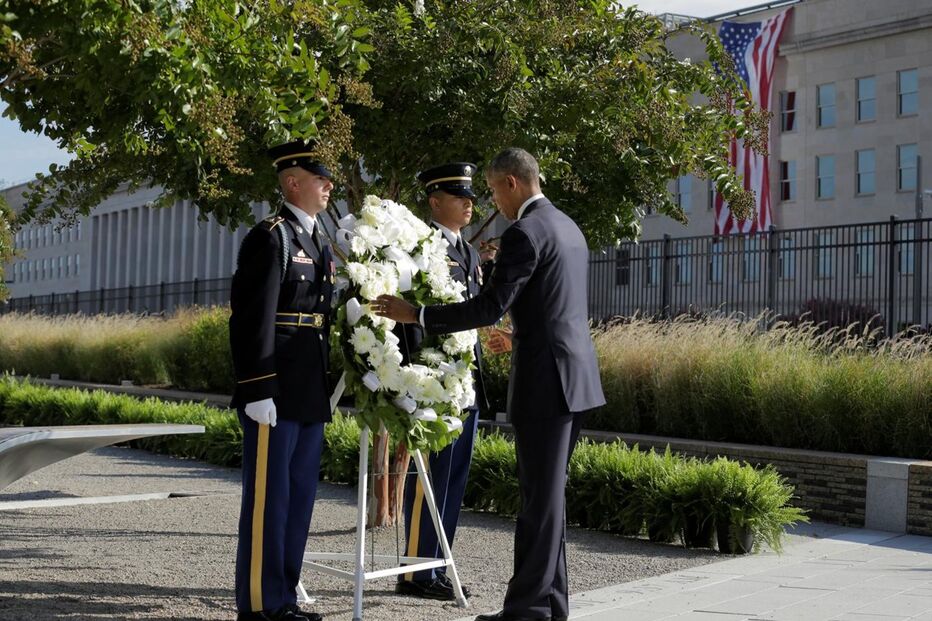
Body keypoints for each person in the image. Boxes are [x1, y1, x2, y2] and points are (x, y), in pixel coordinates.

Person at [374, 147, 605, 621]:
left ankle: (523, 612)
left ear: (513, 184)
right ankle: (551, 607)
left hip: (546, 383)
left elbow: (487, 307)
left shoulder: (524, 232)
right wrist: (518, 334)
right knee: (550, 501)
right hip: (576, 379)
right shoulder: (568, 226)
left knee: (538, 504)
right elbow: (553, 306)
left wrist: (414, 313)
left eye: (495, 191)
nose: (491, 203)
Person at [229, 140, 336, 621]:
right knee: (269, 502)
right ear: (293, 182)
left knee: (298, 500)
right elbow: (252, 319)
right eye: (320, 178)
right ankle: (260, 603)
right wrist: (256, 388)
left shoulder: (319, 239)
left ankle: (285, 597)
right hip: (275, 390)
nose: (328, 185)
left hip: (309, 390)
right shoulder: (271, 237)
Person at [395, 162, 489, 602]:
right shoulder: (422, 247)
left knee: (454, 478)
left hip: (464, 379)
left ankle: (437, 564)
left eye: (471, 197)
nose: (470, 204)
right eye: (460, 197)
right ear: (435, 202)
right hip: (437, 380)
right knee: (431, 475)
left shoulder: (468, 252)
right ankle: (416, 570)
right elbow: (412, 317)